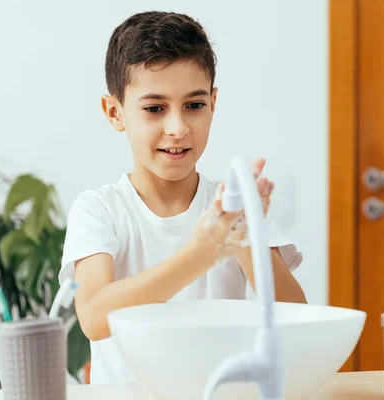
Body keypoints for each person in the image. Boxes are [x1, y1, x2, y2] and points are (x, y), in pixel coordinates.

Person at [59, 11, 307, 385]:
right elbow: (95, 318)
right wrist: (202, 253)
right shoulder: (99, 210)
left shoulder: (232, 208)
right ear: (115, 112)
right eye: (155, 108)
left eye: (194, 105)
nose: (177, 129)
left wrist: (242, 237)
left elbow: (295, 319)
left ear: (213, 102)